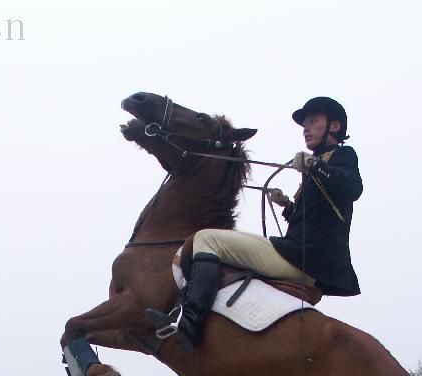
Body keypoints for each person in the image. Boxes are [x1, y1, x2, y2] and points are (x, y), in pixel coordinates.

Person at [145, 96, 363, 350]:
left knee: (207, 239)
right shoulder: (321, 164)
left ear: (334, 127)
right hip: (303, 255)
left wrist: (313, 165)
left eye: (313, 121)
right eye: (304, 124)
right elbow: (315, 220)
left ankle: (189, 326)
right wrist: (287, 205)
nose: (305, 128)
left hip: (306, 258)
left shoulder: (343, 155)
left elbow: (352, 188)